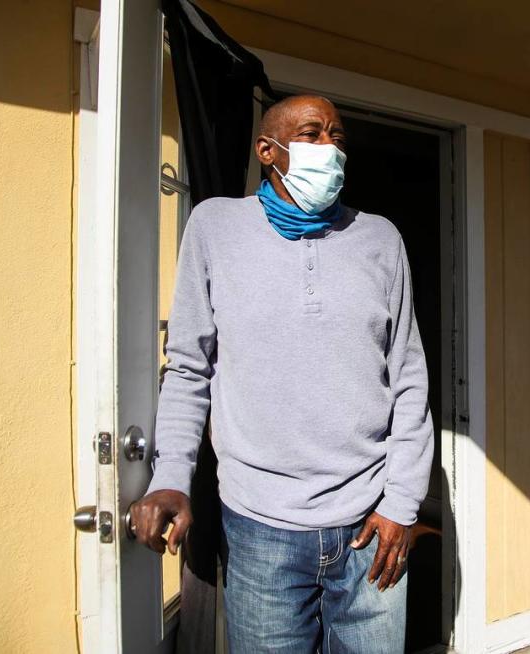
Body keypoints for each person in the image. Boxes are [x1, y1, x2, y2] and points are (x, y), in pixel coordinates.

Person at [130, 94, 435, 653]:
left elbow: (409, 378)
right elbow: (190, 367)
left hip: (371, 525)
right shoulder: (215, 227)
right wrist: (170, 473)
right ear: (268, 151)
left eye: (338, 138)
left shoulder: (380, 240)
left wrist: (402, 504)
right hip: (259, 528)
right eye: (313, 134)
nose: (330, 149)